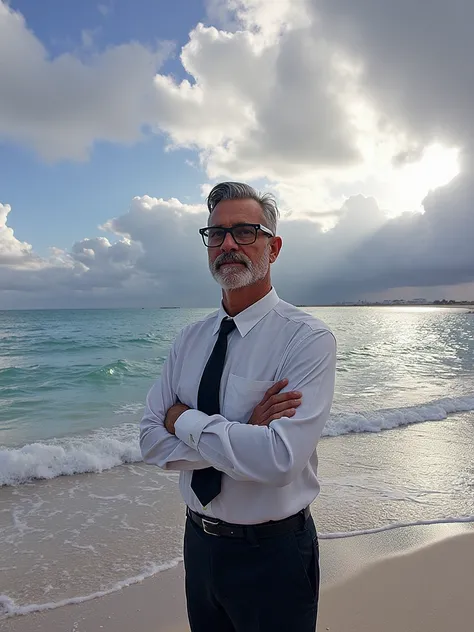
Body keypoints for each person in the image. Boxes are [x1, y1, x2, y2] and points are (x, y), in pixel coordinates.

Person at [140, 182, 337, 632]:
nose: (228, 244)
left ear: (274, 246)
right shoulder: (188, 339)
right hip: (199, 544)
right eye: (217, 234)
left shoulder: (307, 339)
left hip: (273, 555)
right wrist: (243, 428)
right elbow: (149, 440)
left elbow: (280, 459)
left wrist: (183, 419)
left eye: (245, 231)